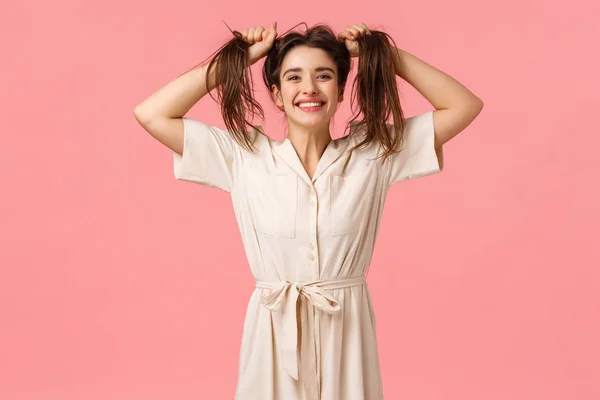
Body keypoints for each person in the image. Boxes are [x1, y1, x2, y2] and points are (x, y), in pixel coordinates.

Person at [134, 21, 483, 400]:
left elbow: (464, 106)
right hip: (273, 332)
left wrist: (384, 55)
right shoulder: (243, 157)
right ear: (277, 94)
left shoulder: (373, 152)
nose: (309, 89)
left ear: (339, 89)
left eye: (324, 76)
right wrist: (238, 59)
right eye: (294, 77)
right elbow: (152, 113)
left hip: (347, 332)